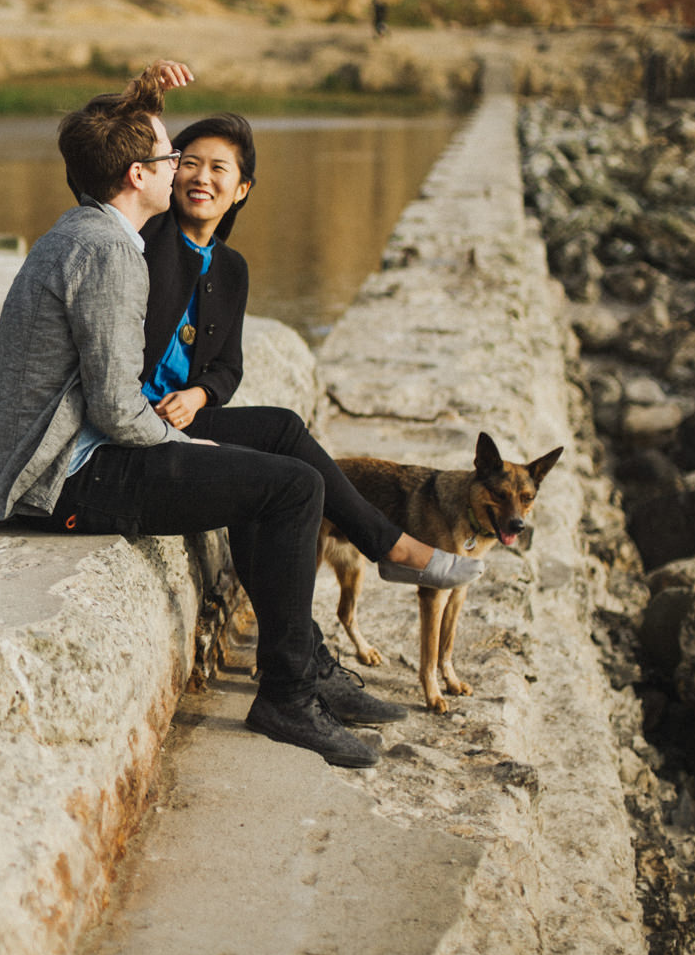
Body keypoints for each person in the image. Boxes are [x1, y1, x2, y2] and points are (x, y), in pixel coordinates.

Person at [0, 62, 481, 769]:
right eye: (172, 156)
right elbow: (116, 409)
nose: (182, 168)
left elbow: (101, 154)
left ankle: (310, 660)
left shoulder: (88, 230)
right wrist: (184, 440)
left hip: (71, 452)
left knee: (280, 443)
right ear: (142, 176)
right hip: (63, 479)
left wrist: (142, 103)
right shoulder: (113, 250)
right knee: (290, 487)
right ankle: (288, 697)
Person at [138, 112, 457, 730]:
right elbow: (102, 173)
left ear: (242, 189)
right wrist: (146, 98)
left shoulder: (230, 269)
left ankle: (320, 642)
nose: (200, 177)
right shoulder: (146, 238)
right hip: (137, 429)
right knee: (283, 483)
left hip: (181, 420)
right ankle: (379, 558)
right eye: (189, 162)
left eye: (218, 169)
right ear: (169, 171)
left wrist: (200, 397)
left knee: (283, 430)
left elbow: (225, 368)